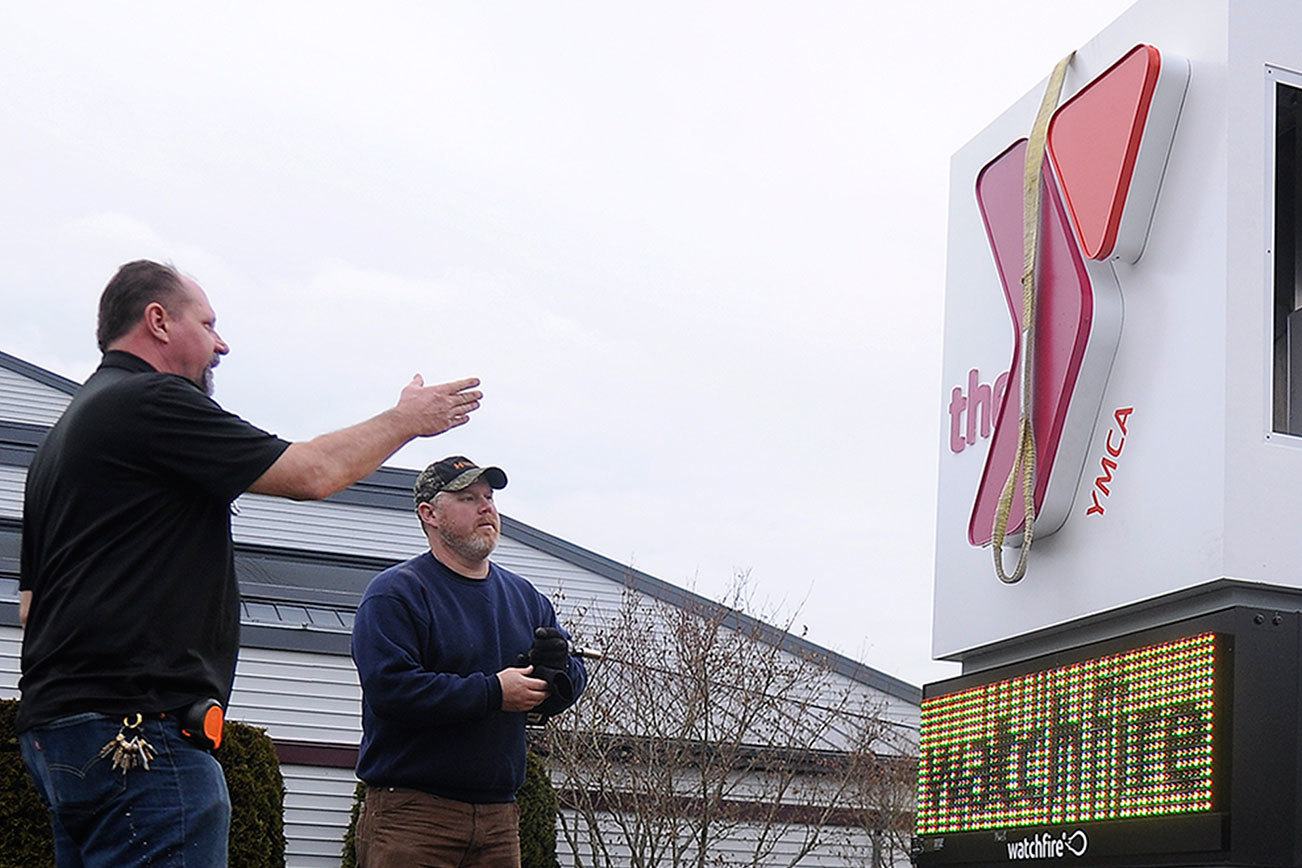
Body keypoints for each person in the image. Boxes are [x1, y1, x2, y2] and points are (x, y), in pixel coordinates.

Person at [17, 259, 483, 867]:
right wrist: (406, 421)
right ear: (158, 321)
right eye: (208, 324)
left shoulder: (61, 443)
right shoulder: (149, 401)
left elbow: (32, 609)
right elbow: (313, 473)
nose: (222, 344)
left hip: (61, 736)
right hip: (141, 739)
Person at [351, 456, 586, 868]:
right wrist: (494, 692)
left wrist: (556, 675)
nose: (486, 508)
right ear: (430, 514)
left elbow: (570, 679)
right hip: (413, 817)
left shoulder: (525, 598)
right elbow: (392, 689)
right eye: (467, 498)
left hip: (499, 820)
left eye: (489, 497)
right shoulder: (396, 593)